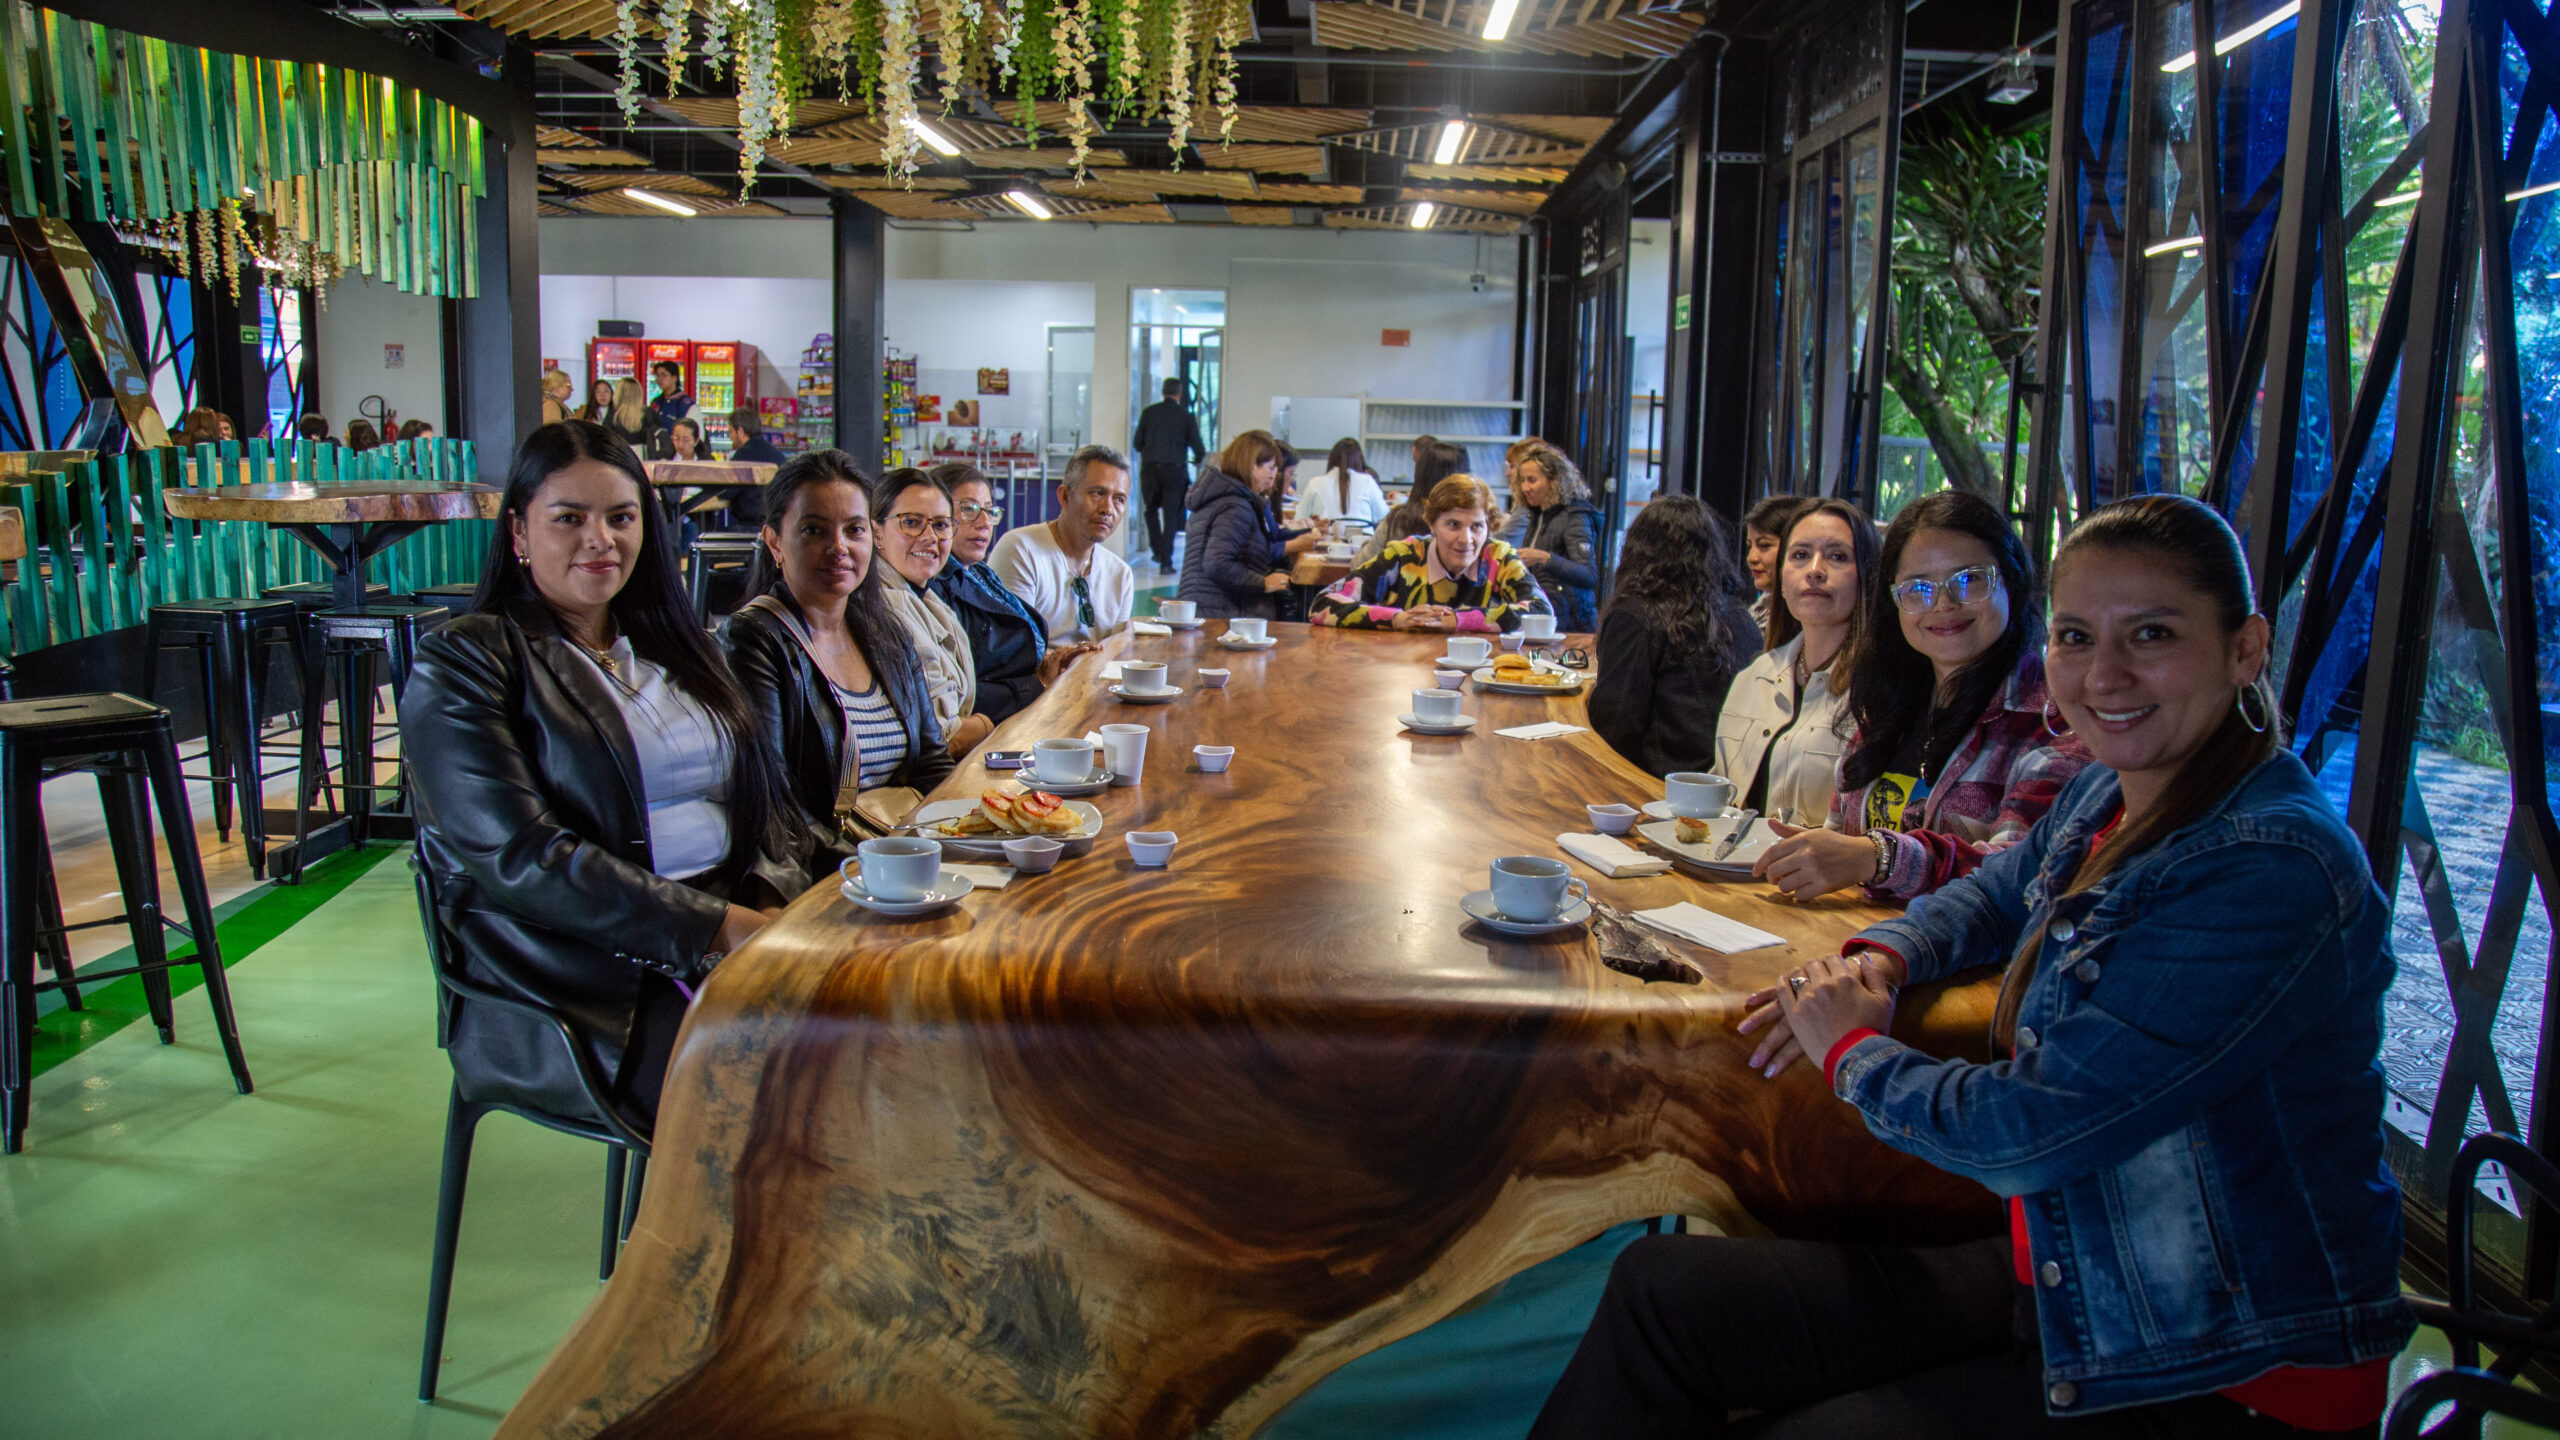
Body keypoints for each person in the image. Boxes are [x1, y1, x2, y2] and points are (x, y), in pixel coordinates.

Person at [1535, 493, 2411, 1439]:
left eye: (2152, 634)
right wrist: (1885, 955)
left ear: (2247, 649)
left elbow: (2035, 1131)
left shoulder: (2270, 865)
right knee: (1662, 1293)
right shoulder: (2109, 791)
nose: (2105, 674)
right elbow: (1997, 893)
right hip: (2075, 1269)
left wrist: (1854, 1055)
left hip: (2219, 1364)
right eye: (2077, 637)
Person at [400, 419, 804, 1127]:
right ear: (519, 533)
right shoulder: (468, 661)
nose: (601, 540)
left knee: (904, 1030)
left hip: (727, 925)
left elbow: (760, 798)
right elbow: (524, 858)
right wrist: (720, 929)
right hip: (581, 980)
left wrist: (776, 900)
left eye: (621, 517)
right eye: (569, 519)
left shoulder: (674, 644)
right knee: (806, 1087)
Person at [1753, 491, 2091, 902]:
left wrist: (1877, 858)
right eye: (1918, 587)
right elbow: (1841, 836)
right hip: (1855, 935)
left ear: (2011, 581)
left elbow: (2022, 875)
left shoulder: (2054, 721)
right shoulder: (1889, 704)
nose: (1944, 604)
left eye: (1969, 579)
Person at [722, 450, 953, 857]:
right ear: (774, 541)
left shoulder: (887, 633)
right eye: (814, 530)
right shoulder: (753, 639)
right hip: (829, 867)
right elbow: (776, 801)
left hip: (907, 855)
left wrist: (962, 835)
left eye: (854, 529)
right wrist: (882, 865)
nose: (839, 546)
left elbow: (932, 762)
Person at [1715, 498, 1875, 826]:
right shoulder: (1755, 675)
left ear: (1867, 574)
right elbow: (1720, 792)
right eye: (1800, 555)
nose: (1815, 570)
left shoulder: (1877, 691)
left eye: (1837, 556)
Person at [1587, 496, 1759, 777]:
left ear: (1637, 549)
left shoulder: (1635, 616)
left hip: (1659, 782)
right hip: (1727, 778)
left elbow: (1614, 723)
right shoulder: (1739, 616)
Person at [929, 461, 1097, 724]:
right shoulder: (934, 586)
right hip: (1000, 724)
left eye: (989, 510)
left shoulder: (979, 572)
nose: (985, 522)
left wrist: (1051, 661)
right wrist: (1039, 685)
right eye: (970, 509)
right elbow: (961, 694)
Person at [1313, 474, 1552, 633]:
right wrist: (1398, 619)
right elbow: (1323, 603)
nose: (1466, 539)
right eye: (1453, 525)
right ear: (1431, 524)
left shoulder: (1499, 558)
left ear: (1489, 527)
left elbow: (1542, 613)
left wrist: (1459, 620)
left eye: (1477, 526)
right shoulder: (1403, 556)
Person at [874, 467, 989, 757]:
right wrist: (990, 726)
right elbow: (945, 736)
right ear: (877, 533)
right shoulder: (887, 605)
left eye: (940, 525)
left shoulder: (926, 597)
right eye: (911, 522)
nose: (930, 536)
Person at [990, 444, 1136, 642]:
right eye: (1097, 493)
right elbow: (1014, 647)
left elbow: (1114, 652)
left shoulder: (1120, 574)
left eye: (1119, 499)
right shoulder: (1021, 550)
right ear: (1064, 496)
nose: (1108, 509)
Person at [1178, 429, 1319, 621]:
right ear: (1251, 465)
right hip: (1219, 613)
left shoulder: (1227, 498)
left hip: (1208, 608)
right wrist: (1264, 583)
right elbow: (1217, 564)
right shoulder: (1235, 506)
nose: (1274, 475)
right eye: (1270, 468)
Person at [1513, 442, 1603, 632]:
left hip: (1572, 624)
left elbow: (1589, 575)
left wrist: (1544, 558)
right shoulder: (1537, 515)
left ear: (1554, 480)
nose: (1525, 487)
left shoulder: (1576, 517)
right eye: (1522, 480)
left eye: (1532, 480)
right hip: (1546, 618)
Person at [1132, 377, 1207, 569]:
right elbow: (1199, 449)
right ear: (1179, 393)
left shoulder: (1149, 413)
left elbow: (1137, 444)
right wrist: (1196, 459)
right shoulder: (1186, 416)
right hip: (1175, 471)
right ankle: (1166, 562)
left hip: (1150, 470)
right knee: (1171, 516)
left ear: (1163, 392)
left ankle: (1157, 550)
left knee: (1150, 510)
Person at [1743, 493, 1813, 643]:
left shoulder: (1811, 622)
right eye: (1749, 546)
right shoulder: (1759, 610)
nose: (1751, 558)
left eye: (1764, 545)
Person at [1290, 437, 1390, 529]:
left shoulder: (1315, 483)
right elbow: (1384, 517)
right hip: (1363, 539)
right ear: (1359, 459)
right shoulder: (1368, 481)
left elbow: (1299, 518)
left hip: (1325, 539)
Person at [606, 377, 656, 454]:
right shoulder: (649, 413)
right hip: (644, 455)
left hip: (620, 455)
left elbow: (606, 438)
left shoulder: (613, 415)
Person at [649, 359, 694, 430]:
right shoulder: (656, 402)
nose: (659, 379)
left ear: (674, 378)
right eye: (657, 375)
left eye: (664, 375)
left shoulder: (687, 405)